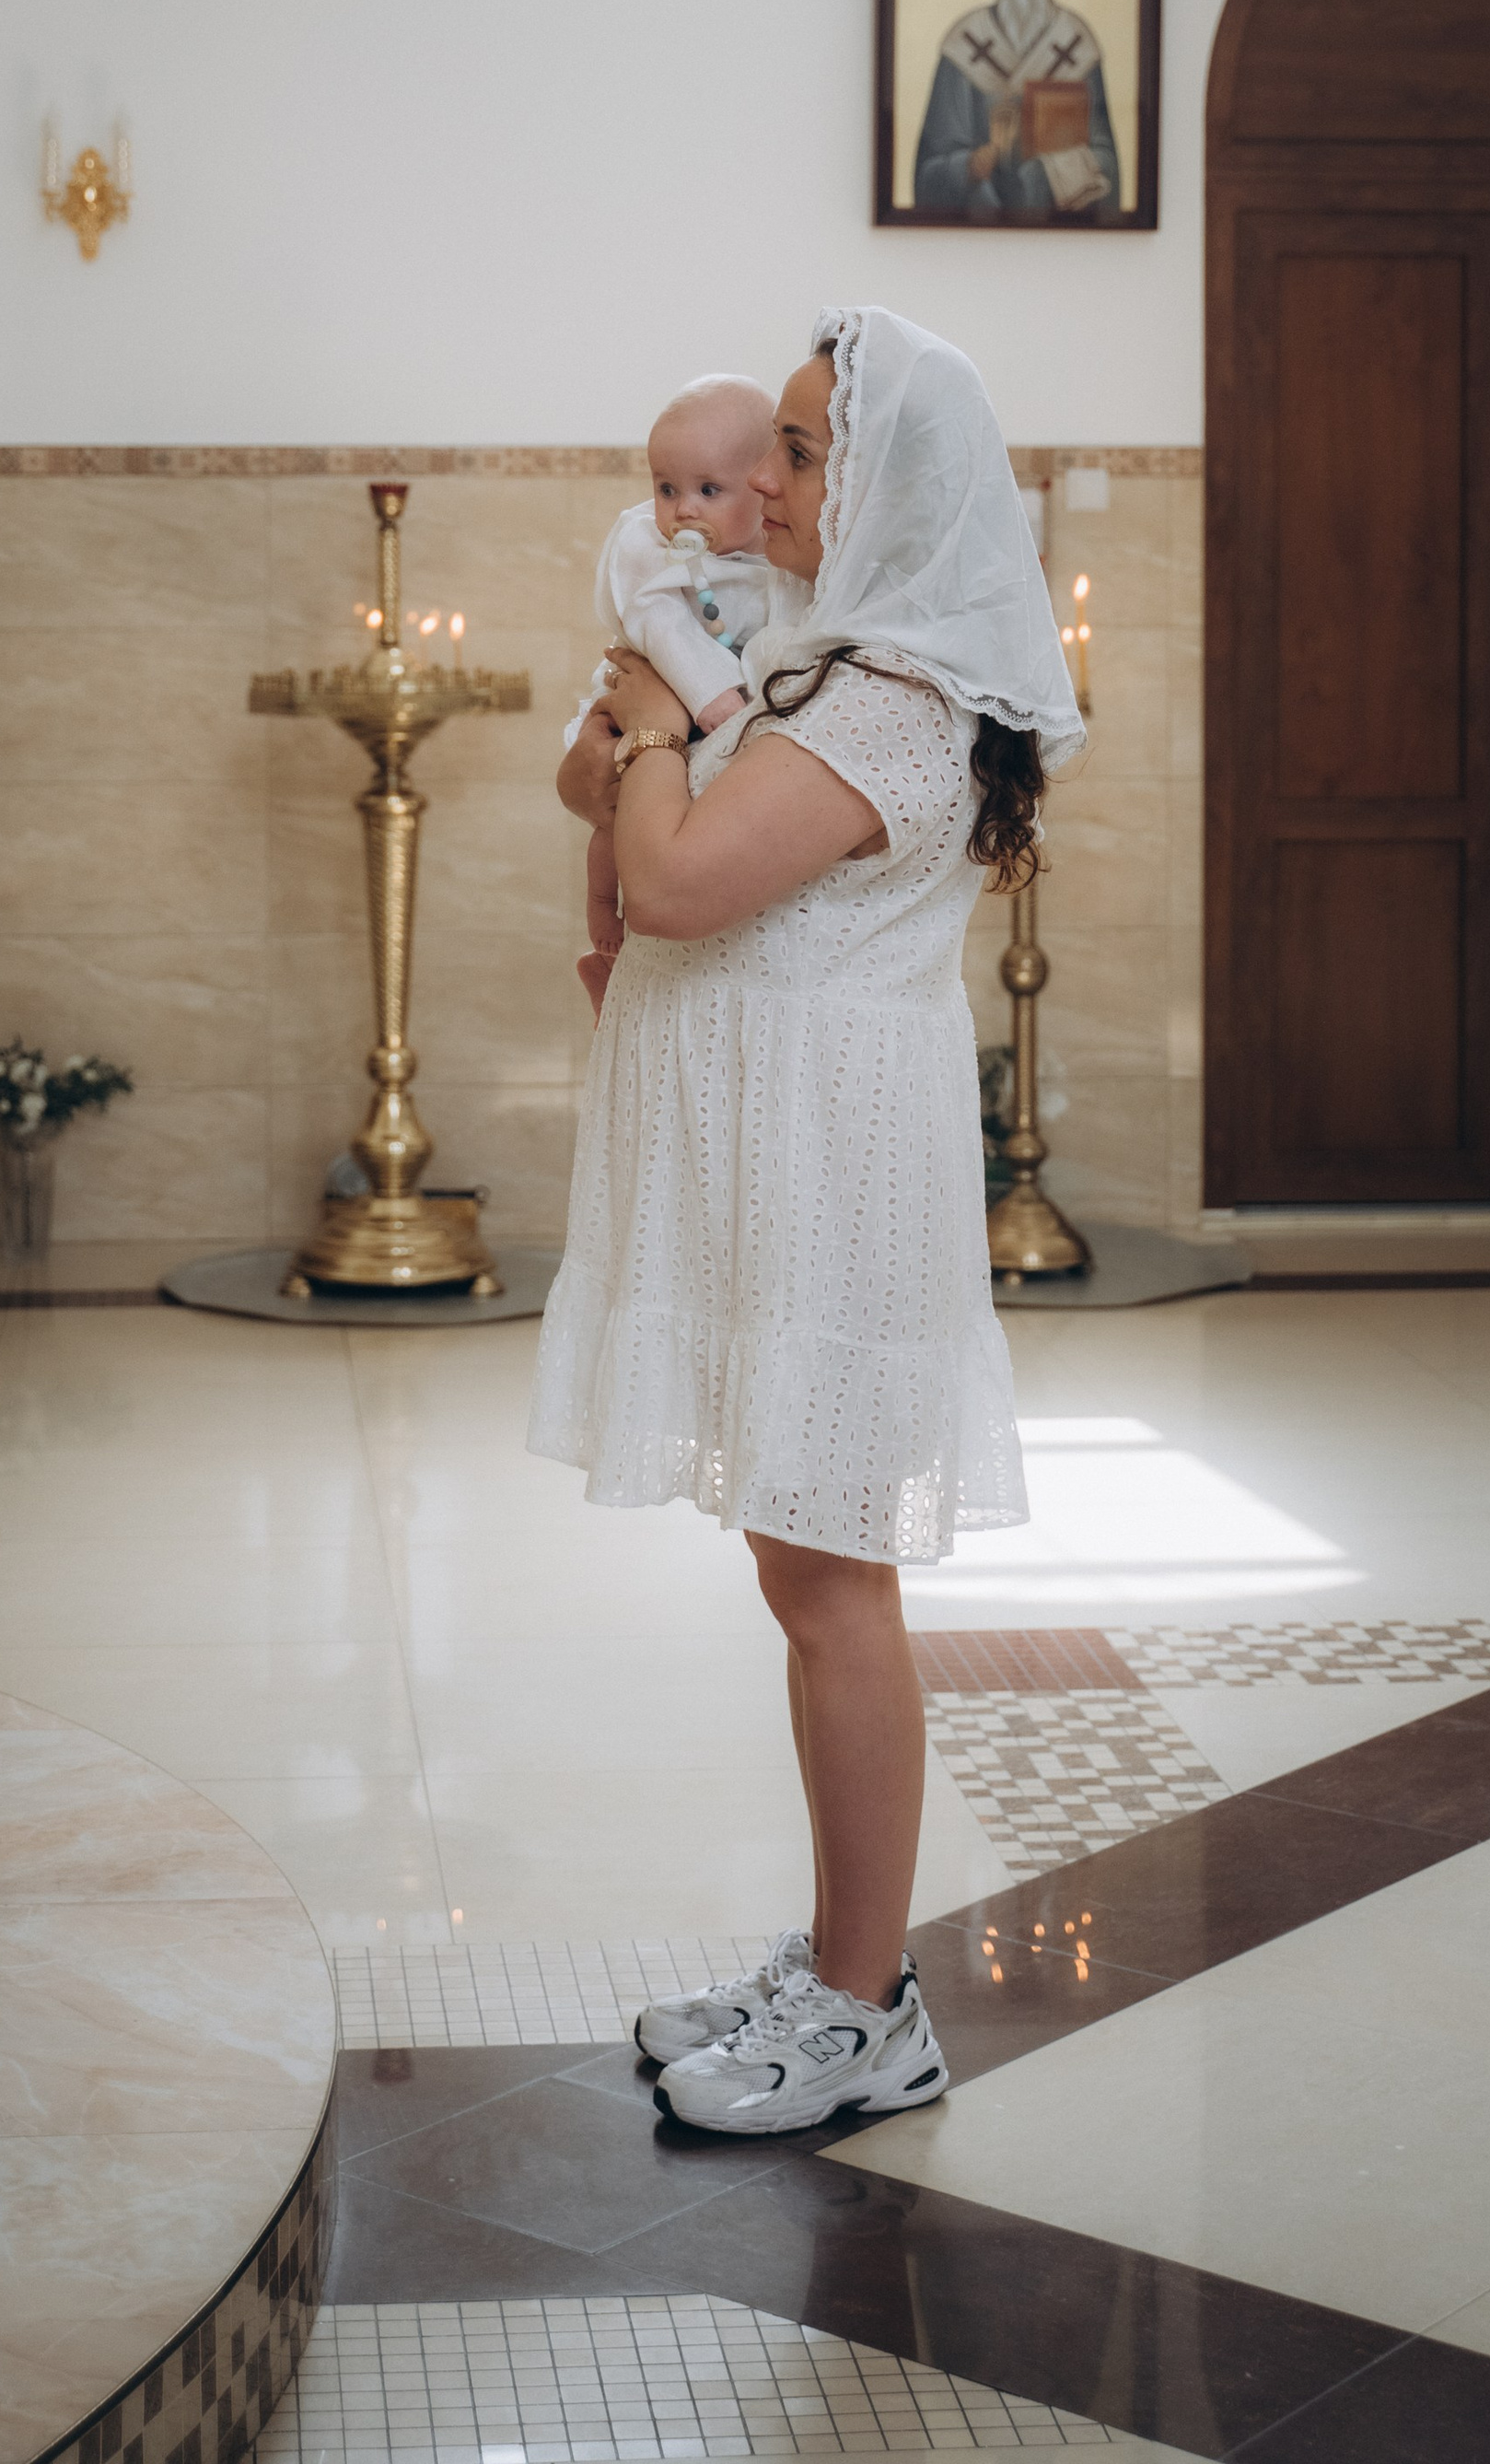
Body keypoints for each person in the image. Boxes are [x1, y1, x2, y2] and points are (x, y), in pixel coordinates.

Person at [532, 304, 1085, 2133]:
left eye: (797, 447)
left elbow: (678, 874)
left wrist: (636, 726)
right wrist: (630, 728)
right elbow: (608, 779)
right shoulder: (801, 657)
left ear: (885, 480)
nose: (759, 480)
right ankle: (840, 1958)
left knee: (836, 1579)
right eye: (763, 444)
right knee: (796, 1561)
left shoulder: (896, 701)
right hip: (757, 1153)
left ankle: (868, 2006)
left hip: (833, 1167)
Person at [566, 376, 778, 1019]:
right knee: (619, 826)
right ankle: (606, 934)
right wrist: (718, 704)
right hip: (663, 702)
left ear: (760, 484)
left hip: (712, 727)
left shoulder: (773, 552)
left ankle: (628, 960)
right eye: (666, 488)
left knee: (685, 839)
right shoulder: (646, 547)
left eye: (709, 491)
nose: (683, 509)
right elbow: (663, 628)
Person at [912, 0, 1120, 223]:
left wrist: (1055, 170)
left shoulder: (1076, 44)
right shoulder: (964, 43)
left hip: (1059, 225)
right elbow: (930, 166)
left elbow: (1106, 160)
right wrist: (970, 165)